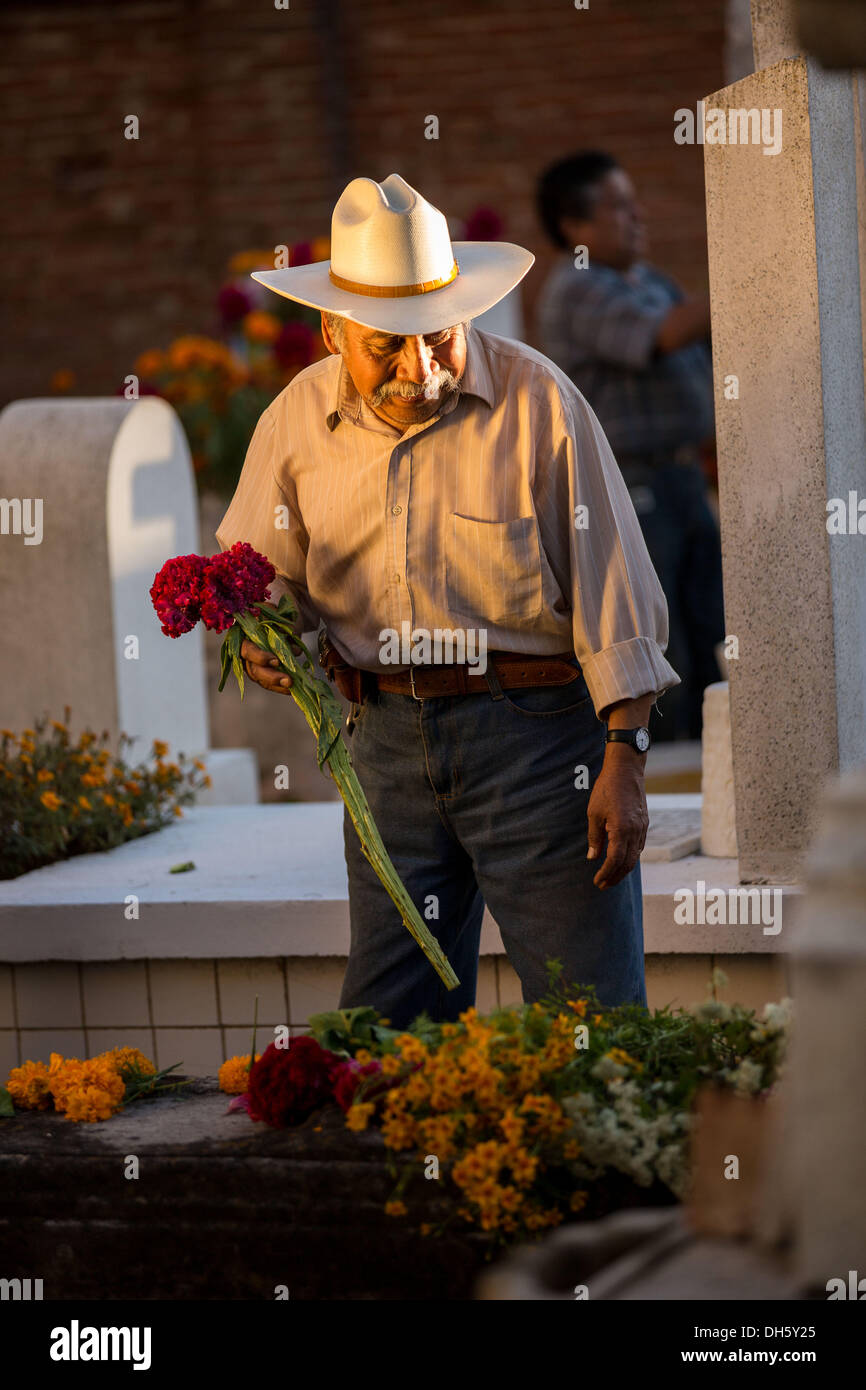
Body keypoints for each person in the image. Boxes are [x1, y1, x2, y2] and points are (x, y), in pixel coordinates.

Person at [215, 172, 680, 1029]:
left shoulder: (540, 401)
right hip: (382, 744)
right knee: (391, 1025)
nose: (419, 368)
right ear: (330, 333)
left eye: (438, 339)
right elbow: (261, 573)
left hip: (540, 747)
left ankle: (595, 1163)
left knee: (590, 1022)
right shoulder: (293, 420)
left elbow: (619, 596)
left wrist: (625, 758)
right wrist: (262, 634)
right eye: (385, 346)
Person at [535, 152, 724, 741]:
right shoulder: (576, 287)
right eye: (618, 205)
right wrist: (748, 275)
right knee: (660, 646)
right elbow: (665, 336)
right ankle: (662, 777)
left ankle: (714, 769)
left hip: (684, 479)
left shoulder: (651, 281)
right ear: (575, 226)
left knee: (711, 627)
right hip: (631, 488)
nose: (637, 215)